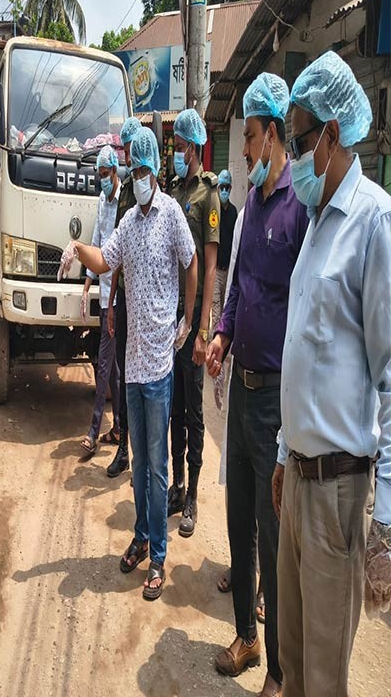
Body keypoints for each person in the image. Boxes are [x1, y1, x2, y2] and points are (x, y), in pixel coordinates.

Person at [272, 51, 391, 697]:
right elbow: (306, 350)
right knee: (293, 663)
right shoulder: (318, 223)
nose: (292, 155)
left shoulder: (373, 222)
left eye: (299, 139)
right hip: (300, 486)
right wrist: (286, 453)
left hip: (339, 495)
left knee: (324, 682)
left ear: (334, 135)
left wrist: (387, 525)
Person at [201, 71, 302, 697]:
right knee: (239, 517)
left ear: (274, 137)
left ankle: (280, 671)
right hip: (244, 386)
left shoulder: (299, 208)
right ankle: (245, 634)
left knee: (273, 530)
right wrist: (222, 336)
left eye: (252, 141)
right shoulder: (252, 209)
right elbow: (237, 289)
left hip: (278, 400)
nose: (245, 153)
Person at [66, 127, 197, 601]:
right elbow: (106, 260)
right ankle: (142, 536)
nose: (138, 178)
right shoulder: (128, 222)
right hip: (134, 362)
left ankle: (159, 554)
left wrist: (189, 320)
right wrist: (78, 250)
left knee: (159, 466)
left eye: (143, 171)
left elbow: (192, 261)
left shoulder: (172, 215)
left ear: (154, 170)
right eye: (133, 171)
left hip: (160, 361)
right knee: (139, 461)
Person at [167, 107, 221, 538]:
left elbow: (209, 269)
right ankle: (177, 483)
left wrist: (203, 331)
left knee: (194, 412)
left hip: (194, 323)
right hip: (172, 320)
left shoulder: (208, 195)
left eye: (182, 146)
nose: (177, 152)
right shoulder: (173, 191)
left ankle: (193, 497)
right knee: (174, 411)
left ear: (196, 147)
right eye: (175, 146)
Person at [80, 145, 124, 458]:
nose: (103, 181)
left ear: (116, 172)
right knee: (114, 368)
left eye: (106, 175)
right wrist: (87, 284)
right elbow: (96, 243)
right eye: (100, 176)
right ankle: (119, 426)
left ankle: (94, 430)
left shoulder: (126, 203)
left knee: (105, 362)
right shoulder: (101, 200)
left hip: (118, 297)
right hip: (103, 291)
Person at [104, 118, 141, 479]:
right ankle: (123, 447)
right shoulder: (125, 193)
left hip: (147, 304)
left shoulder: (155, 194)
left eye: (129, 148)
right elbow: (114, 253)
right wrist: (114, 301)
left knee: (143, 379)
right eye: (124, 149)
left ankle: (142, 452)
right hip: (126, 300)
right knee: (124, 373)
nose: (126, 154)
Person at [211, 169, 239, 334]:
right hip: (214, 269)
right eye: (221, 187)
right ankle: (210, 350)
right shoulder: (214, 211)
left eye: (227, 188)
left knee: (224, 309)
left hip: (227, 269)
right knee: (215, 312)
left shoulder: (233, 212)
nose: (224, 191)